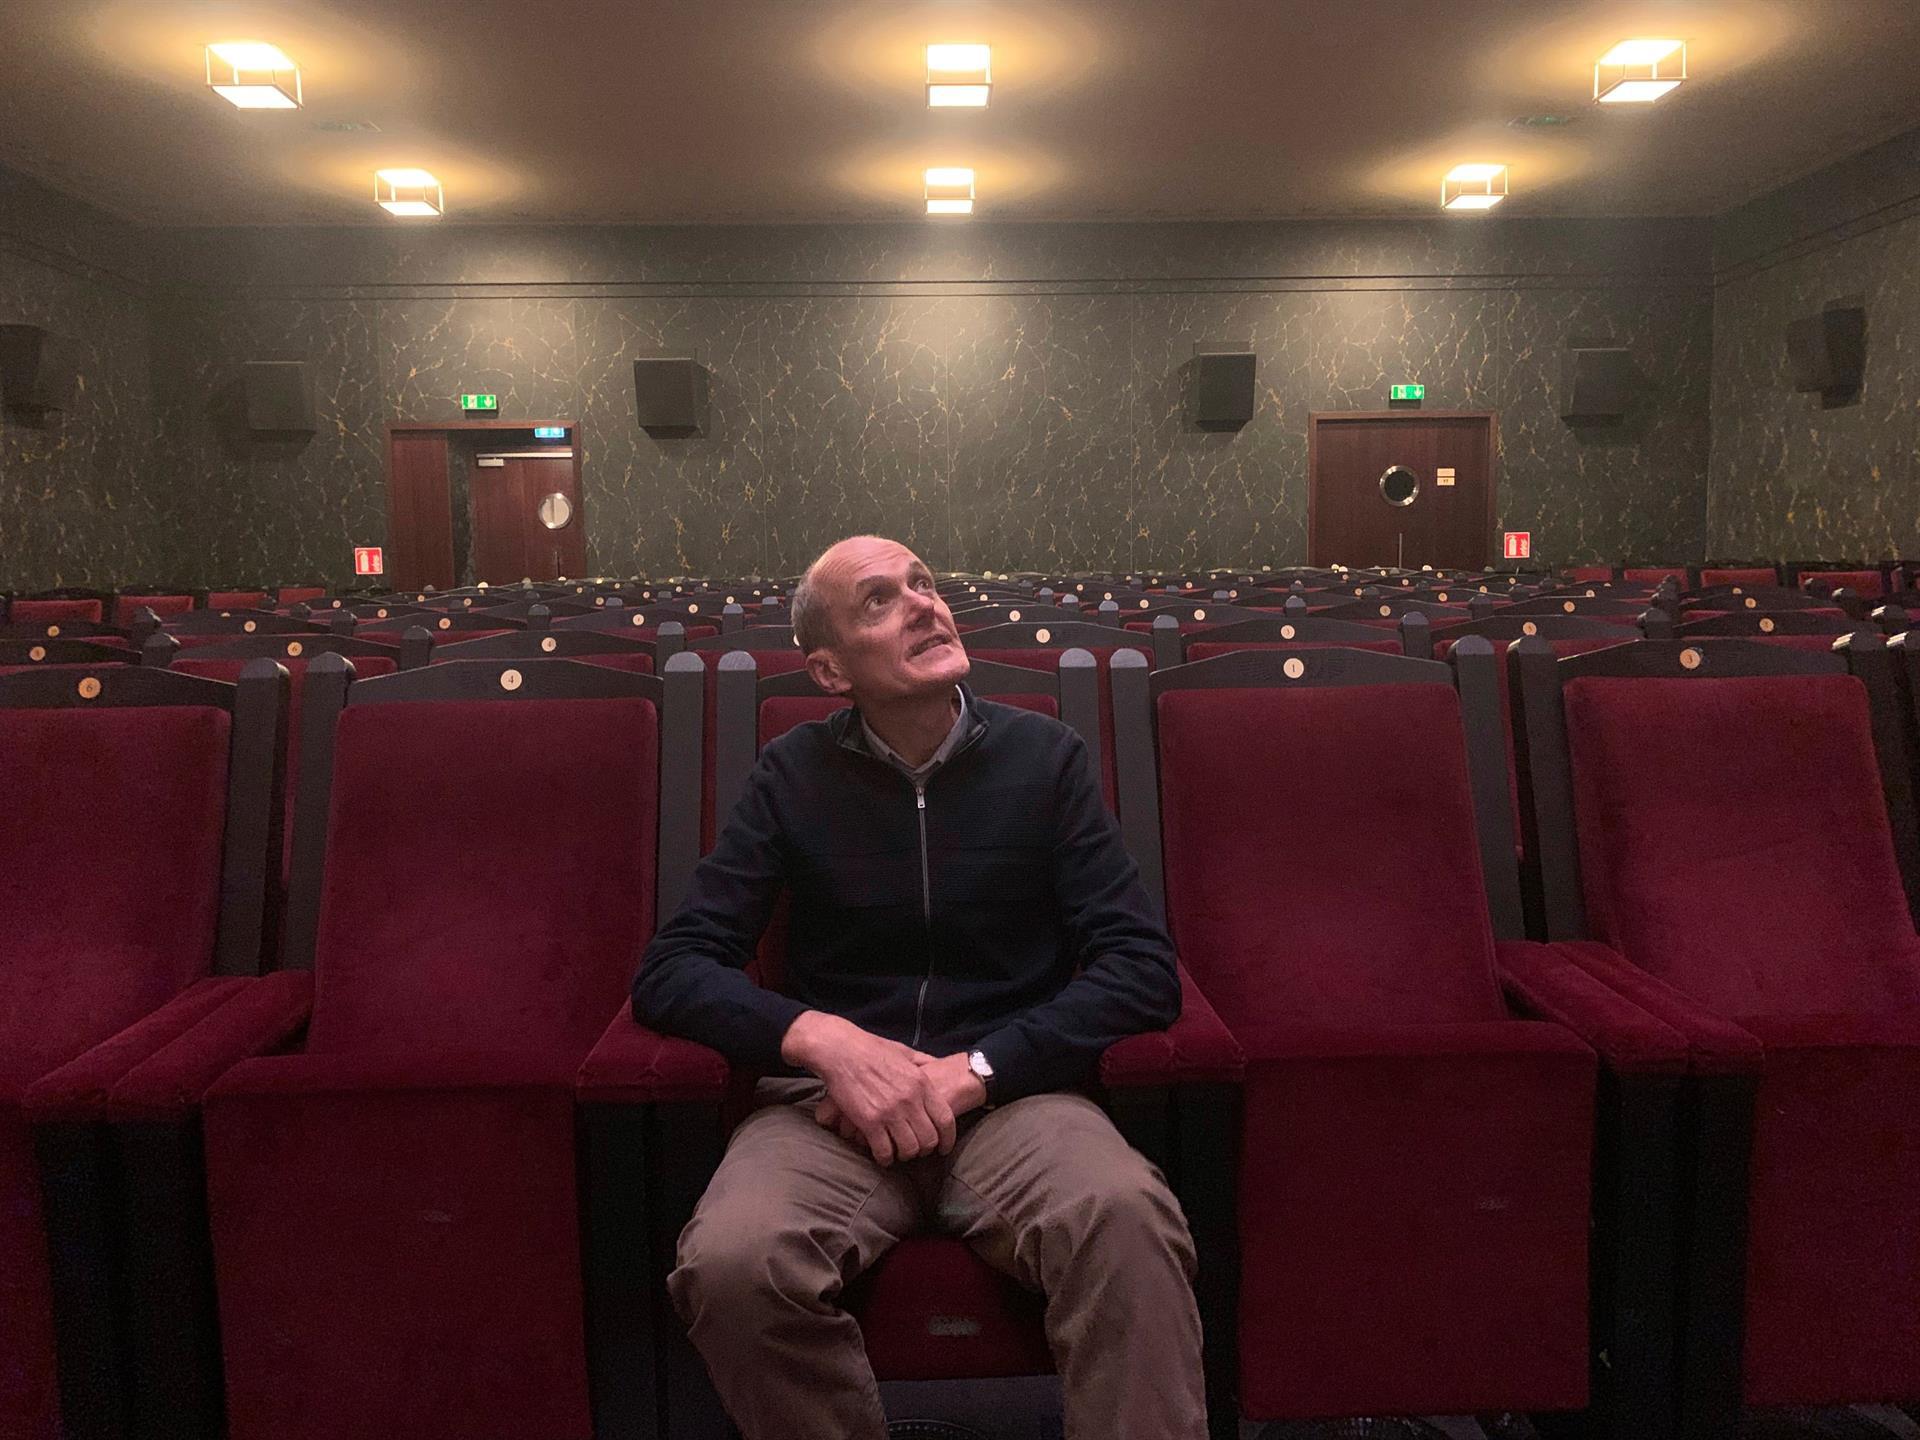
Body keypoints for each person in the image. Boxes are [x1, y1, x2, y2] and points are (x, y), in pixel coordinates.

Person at [632, 535, 1207, 1440]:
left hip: (1016, 1099)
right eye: (878, 601)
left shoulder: (1045, 760)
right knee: (733, 1264)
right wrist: (828, 1041)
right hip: (833, 1113)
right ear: (828, 671)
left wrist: (973, 1069)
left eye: (924, 585)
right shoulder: (791, 776)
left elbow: (1141, 969)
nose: (923, 605)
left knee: (1128, 1220)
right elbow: (673, 971)